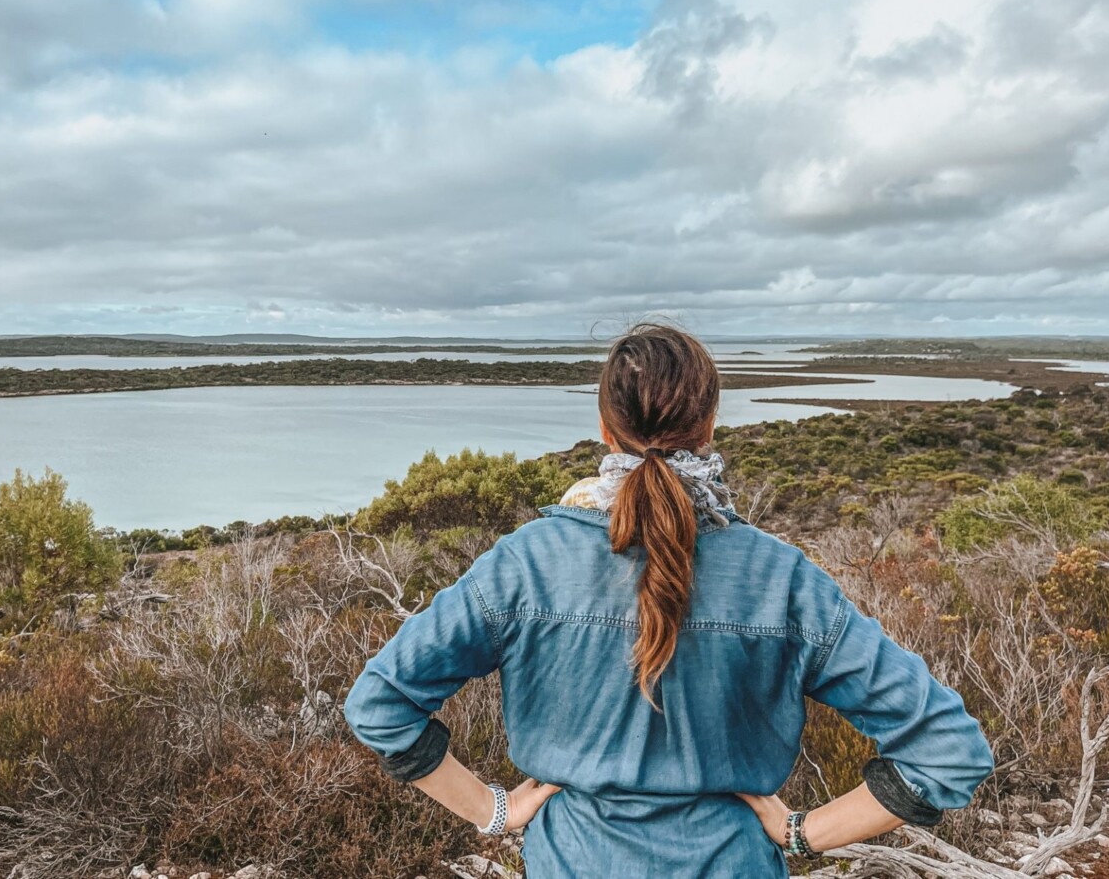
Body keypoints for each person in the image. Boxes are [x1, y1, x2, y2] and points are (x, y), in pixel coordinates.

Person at [342, 322, 995, 878]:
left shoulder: (526, 563)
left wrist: (493, 810)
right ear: (709, 423)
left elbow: (381, 705)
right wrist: (804, 833)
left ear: (605, 426)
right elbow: (947, 751)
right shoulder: (782, 578)